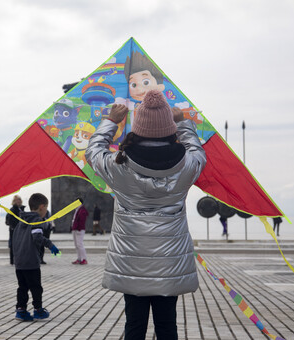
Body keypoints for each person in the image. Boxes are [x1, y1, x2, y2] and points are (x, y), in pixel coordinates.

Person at [86, 90, 206, 340]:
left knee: (134, 324)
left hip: (131, 263)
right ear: (168, 127)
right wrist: (183, 123)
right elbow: (198, 151)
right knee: (167, 325)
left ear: (138, 126)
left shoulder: (118, 164)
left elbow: (93, 151)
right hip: (170, 261)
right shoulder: (187, 164)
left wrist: (111, 121)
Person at [12, 193, 60, 321]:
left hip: (20, 262)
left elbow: (14, 240)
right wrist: (50, 245)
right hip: (31, 261)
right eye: (46, 209)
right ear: (42, 207)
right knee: (36, 287)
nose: (46, 212)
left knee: (22, 287)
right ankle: (38, 310)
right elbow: (37, 238)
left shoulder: (21, 220)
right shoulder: (36, 220)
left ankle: (20, 310)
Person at [5, 195, 25, 265]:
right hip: (14, 230)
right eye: (17, 200)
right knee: (13, 245)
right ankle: (12, 261)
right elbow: (9, 221)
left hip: (21, 230)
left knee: (20, 245)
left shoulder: (21, 209)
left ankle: (18, 259)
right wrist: (15, 227)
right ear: (14, 201)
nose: (18, 201)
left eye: (19, 199)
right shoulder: (12, 210)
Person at [71, 198, 88, 265]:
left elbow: (82, 221)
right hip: (75, 229)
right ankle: (79, 258)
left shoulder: (82, 210)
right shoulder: (77, 210)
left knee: (80, 244)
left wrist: (79, 229)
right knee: (76, 245)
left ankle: (84, 259)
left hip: (79, 229)